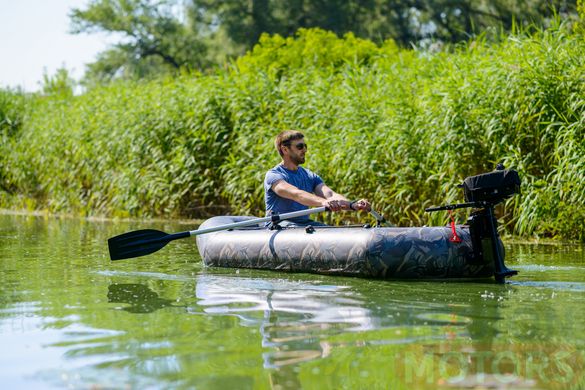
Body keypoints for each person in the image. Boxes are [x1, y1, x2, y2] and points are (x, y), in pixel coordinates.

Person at [264, 130, 371, 227]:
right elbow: (296, 194)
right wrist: (324, 202)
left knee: (332, 234)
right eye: (300, 146)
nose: (305, 150)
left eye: (305, 146)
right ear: (285, 149)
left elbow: (330, 195)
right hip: (278, 224)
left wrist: (353, 204)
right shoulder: (274, 175)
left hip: (303, 224)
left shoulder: (309, 175)